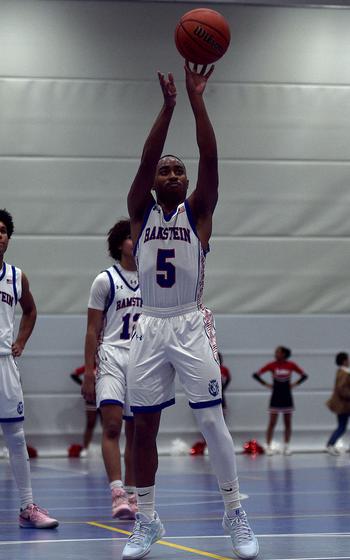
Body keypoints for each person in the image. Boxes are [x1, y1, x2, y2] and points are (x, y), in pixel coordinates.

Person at [122, 64, 259, 560]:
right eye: (167, 169)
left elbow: (210, 155)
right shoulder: (140, 211)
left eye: (179, 169)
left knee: (212, 423)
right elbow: (144, 161)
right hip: (149, 326)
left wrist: (198, 99)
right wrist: (168, 107)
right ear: (154, 182)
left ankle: (233, 511)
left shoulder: (199, 212)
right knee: (143, 428)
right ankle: (146, 518)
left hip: (190, 322)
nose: (175, 173)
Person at [0, 209, 58, 529]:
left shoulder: (16, 276)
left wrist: (20, 341)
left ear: (9, 237)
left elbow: (31, 310)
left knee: (16, 437)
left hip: (5, 365)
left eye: (3, 230)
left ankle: (27, 507)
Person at [82, 219, 141, 519]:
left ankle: (132, 495)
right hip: (111, 356)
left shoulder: (152, 279)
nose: (137, 241)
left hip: (142, 360)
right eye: (131, 237)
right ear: (119, 244)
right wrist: (88, 371)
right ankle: (117, 491)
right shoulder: (105, 280)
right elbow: (93, 329)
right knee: (113, 426)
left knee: (135, 432)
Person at [252, 346, 308, 455]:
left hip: (287, 396)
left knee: (287, 422)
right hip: (276, 396)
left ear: (284, 354)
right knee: (272, 422)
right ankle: (268, 445)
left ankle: (286, 446)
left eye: (278, 352)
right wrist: (266, 384)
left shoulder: (291, 365)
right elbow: (256, 375)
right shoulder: (271, 365)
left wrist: (294, 384)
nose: (276, 353)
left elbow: (304, 376)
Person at [70, 364, 99, 456]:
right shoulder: (89, 366)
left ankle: (110, 447)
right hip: (92, 398)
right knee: (90, 423)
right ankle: (86, 448)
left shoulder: (106, 363)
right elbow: (74, 374)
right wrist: (84, 384)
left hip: (105, 397)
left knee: (108, 424)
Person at [325, 351, 350, 455]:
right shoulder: (345, 373)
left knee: (341, 426)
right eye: (348, 359)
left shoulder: (340, 371)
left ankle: (330, 444)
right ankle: (330, 445)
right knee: (341, 427)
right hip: (344, 405)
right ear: (344, 361)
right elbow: (341, 388)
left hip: (343, 404)